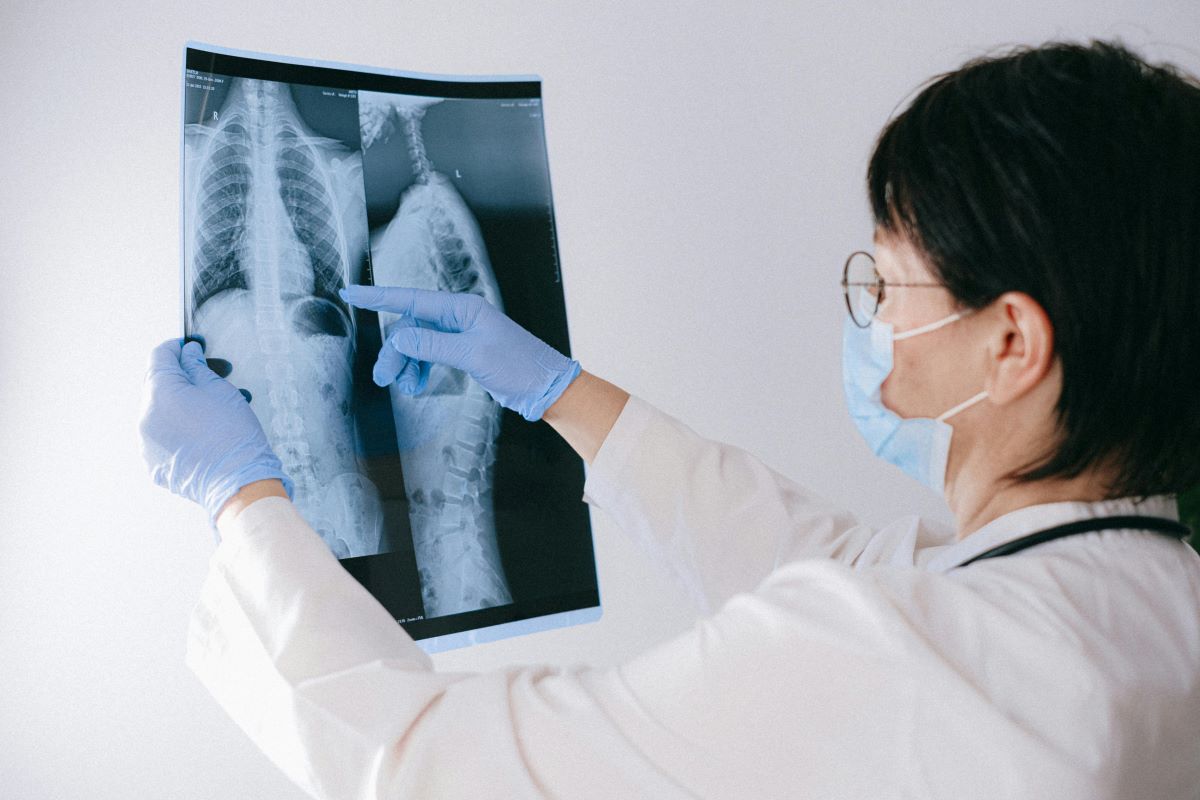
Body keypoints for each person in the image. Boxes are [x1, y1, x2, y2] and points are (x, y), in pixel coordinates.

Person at [138, 39, 1200, 798]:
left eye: (888, 285)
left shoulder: (909, 657)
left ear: (1011, 344)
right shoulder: (1149, 598)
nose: (869, 314)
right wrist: (561, 393)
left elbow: (421, 764)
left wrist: (247, 497)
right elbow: (850, 571)